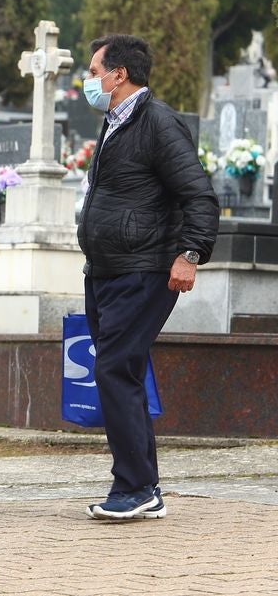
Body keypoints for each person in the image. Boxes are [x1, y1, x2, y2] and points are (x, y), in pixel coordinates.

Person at [77, 34, 219, 520]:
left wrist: (190, 253)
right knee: (122, 373)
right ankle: (144, 488)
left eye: (94, 72)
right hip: (107, 270)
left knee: (115, 370)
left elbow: (198, 195)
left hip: (144, 269)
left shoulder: (157, 123)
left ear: (120, 75)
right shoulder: (114, 122)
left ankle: (135, 489)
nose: (89, 80)